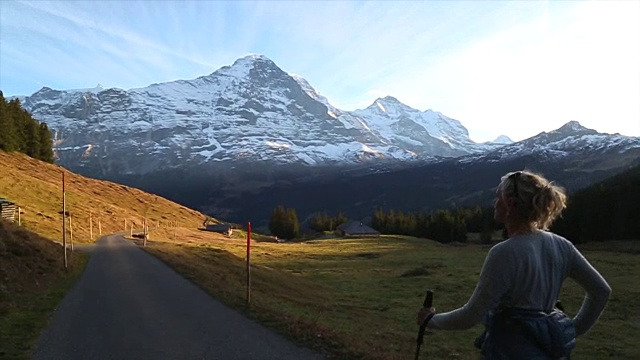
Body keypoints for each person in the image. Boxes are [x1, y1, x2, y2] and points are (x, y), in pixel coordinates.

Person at [417, 170, 611, 359]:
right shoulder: (562, 245)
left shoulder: (504, 252)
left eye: (498, 197)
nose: (495, 203)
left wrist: (430, 320)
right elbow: (601, 290)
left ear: (510, 203)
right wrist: (571, 330)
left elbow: (471, 315)